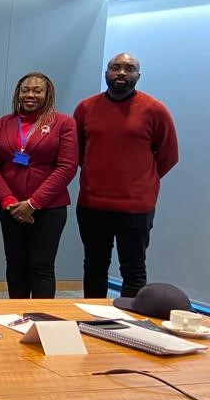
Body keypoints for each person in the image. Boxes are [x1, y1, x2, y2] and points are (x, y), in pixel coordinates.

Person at [74, 53, 178, 298]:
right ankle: (94, 323)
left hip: (135, 207)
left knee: (133, 269)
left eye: (129, 68)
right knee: (94, 266)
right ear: (106, 73)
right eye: (116, 67)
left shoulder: (155, 109)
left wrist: (141, 181)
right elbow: (78, 150)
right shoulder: (86, 107)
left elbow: (169, 155)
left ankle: (131, 329)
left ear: (138, 76)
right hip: (92, 203)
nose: (122, 72)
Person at [0, 72, 78, 299]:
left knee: (41, 267)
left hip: (48, 209)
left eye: (37, 90)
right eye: (25, 90)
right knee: (15, 266)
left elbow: (67, 167)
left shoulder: (63, 123)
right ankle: (16, 320)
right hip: (10, 208)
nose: (30, 95)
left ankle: (40, 320)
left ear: (48, 94)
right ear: (18, 93)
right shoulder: (4, 123)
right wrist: (7, 200)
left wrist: (33, 203)